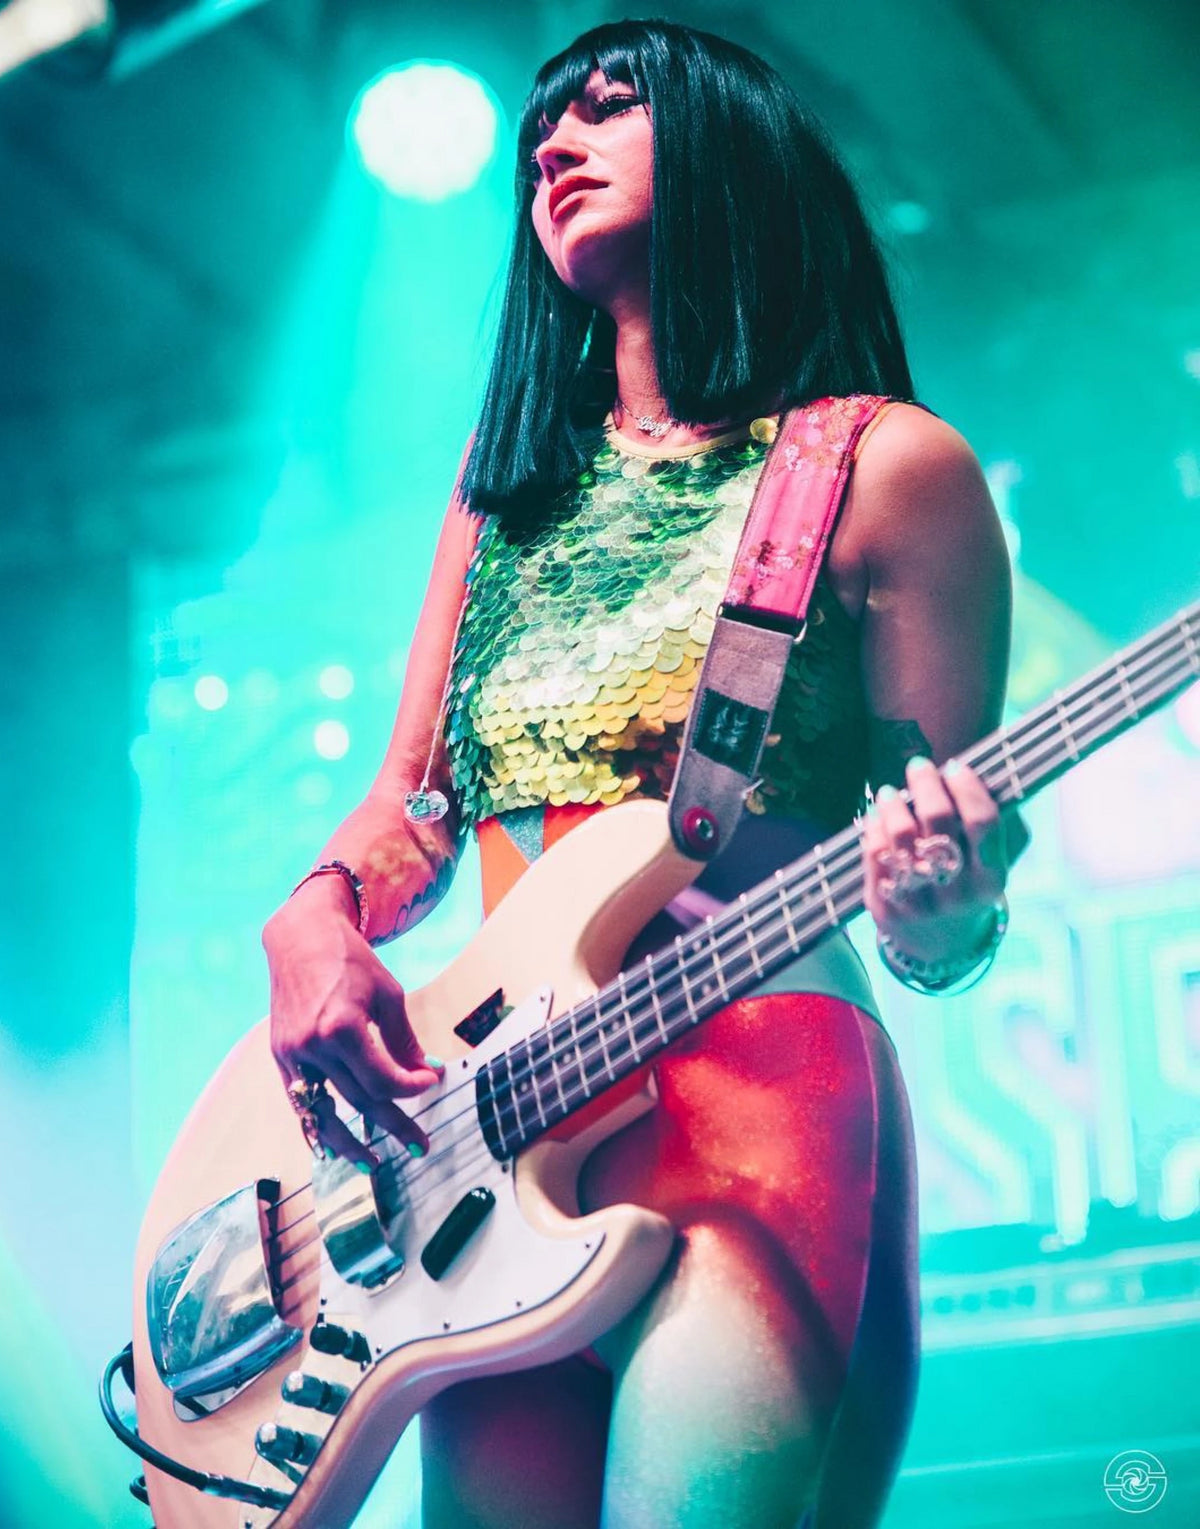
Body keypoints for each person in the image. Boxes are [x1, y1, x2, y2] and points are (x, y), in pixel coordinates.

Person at [262, 19, 1023, 1529]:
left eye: (612, 107)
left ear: (735, 151)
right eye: (547, 120)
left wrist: (944, 909)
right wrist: (317, 914)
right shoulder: (504, 497)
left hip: (761, 1076)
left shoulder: (887, 468)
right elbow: (416, 805)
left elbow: (948, 881)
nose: (555, 141)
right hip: (499, 1119)